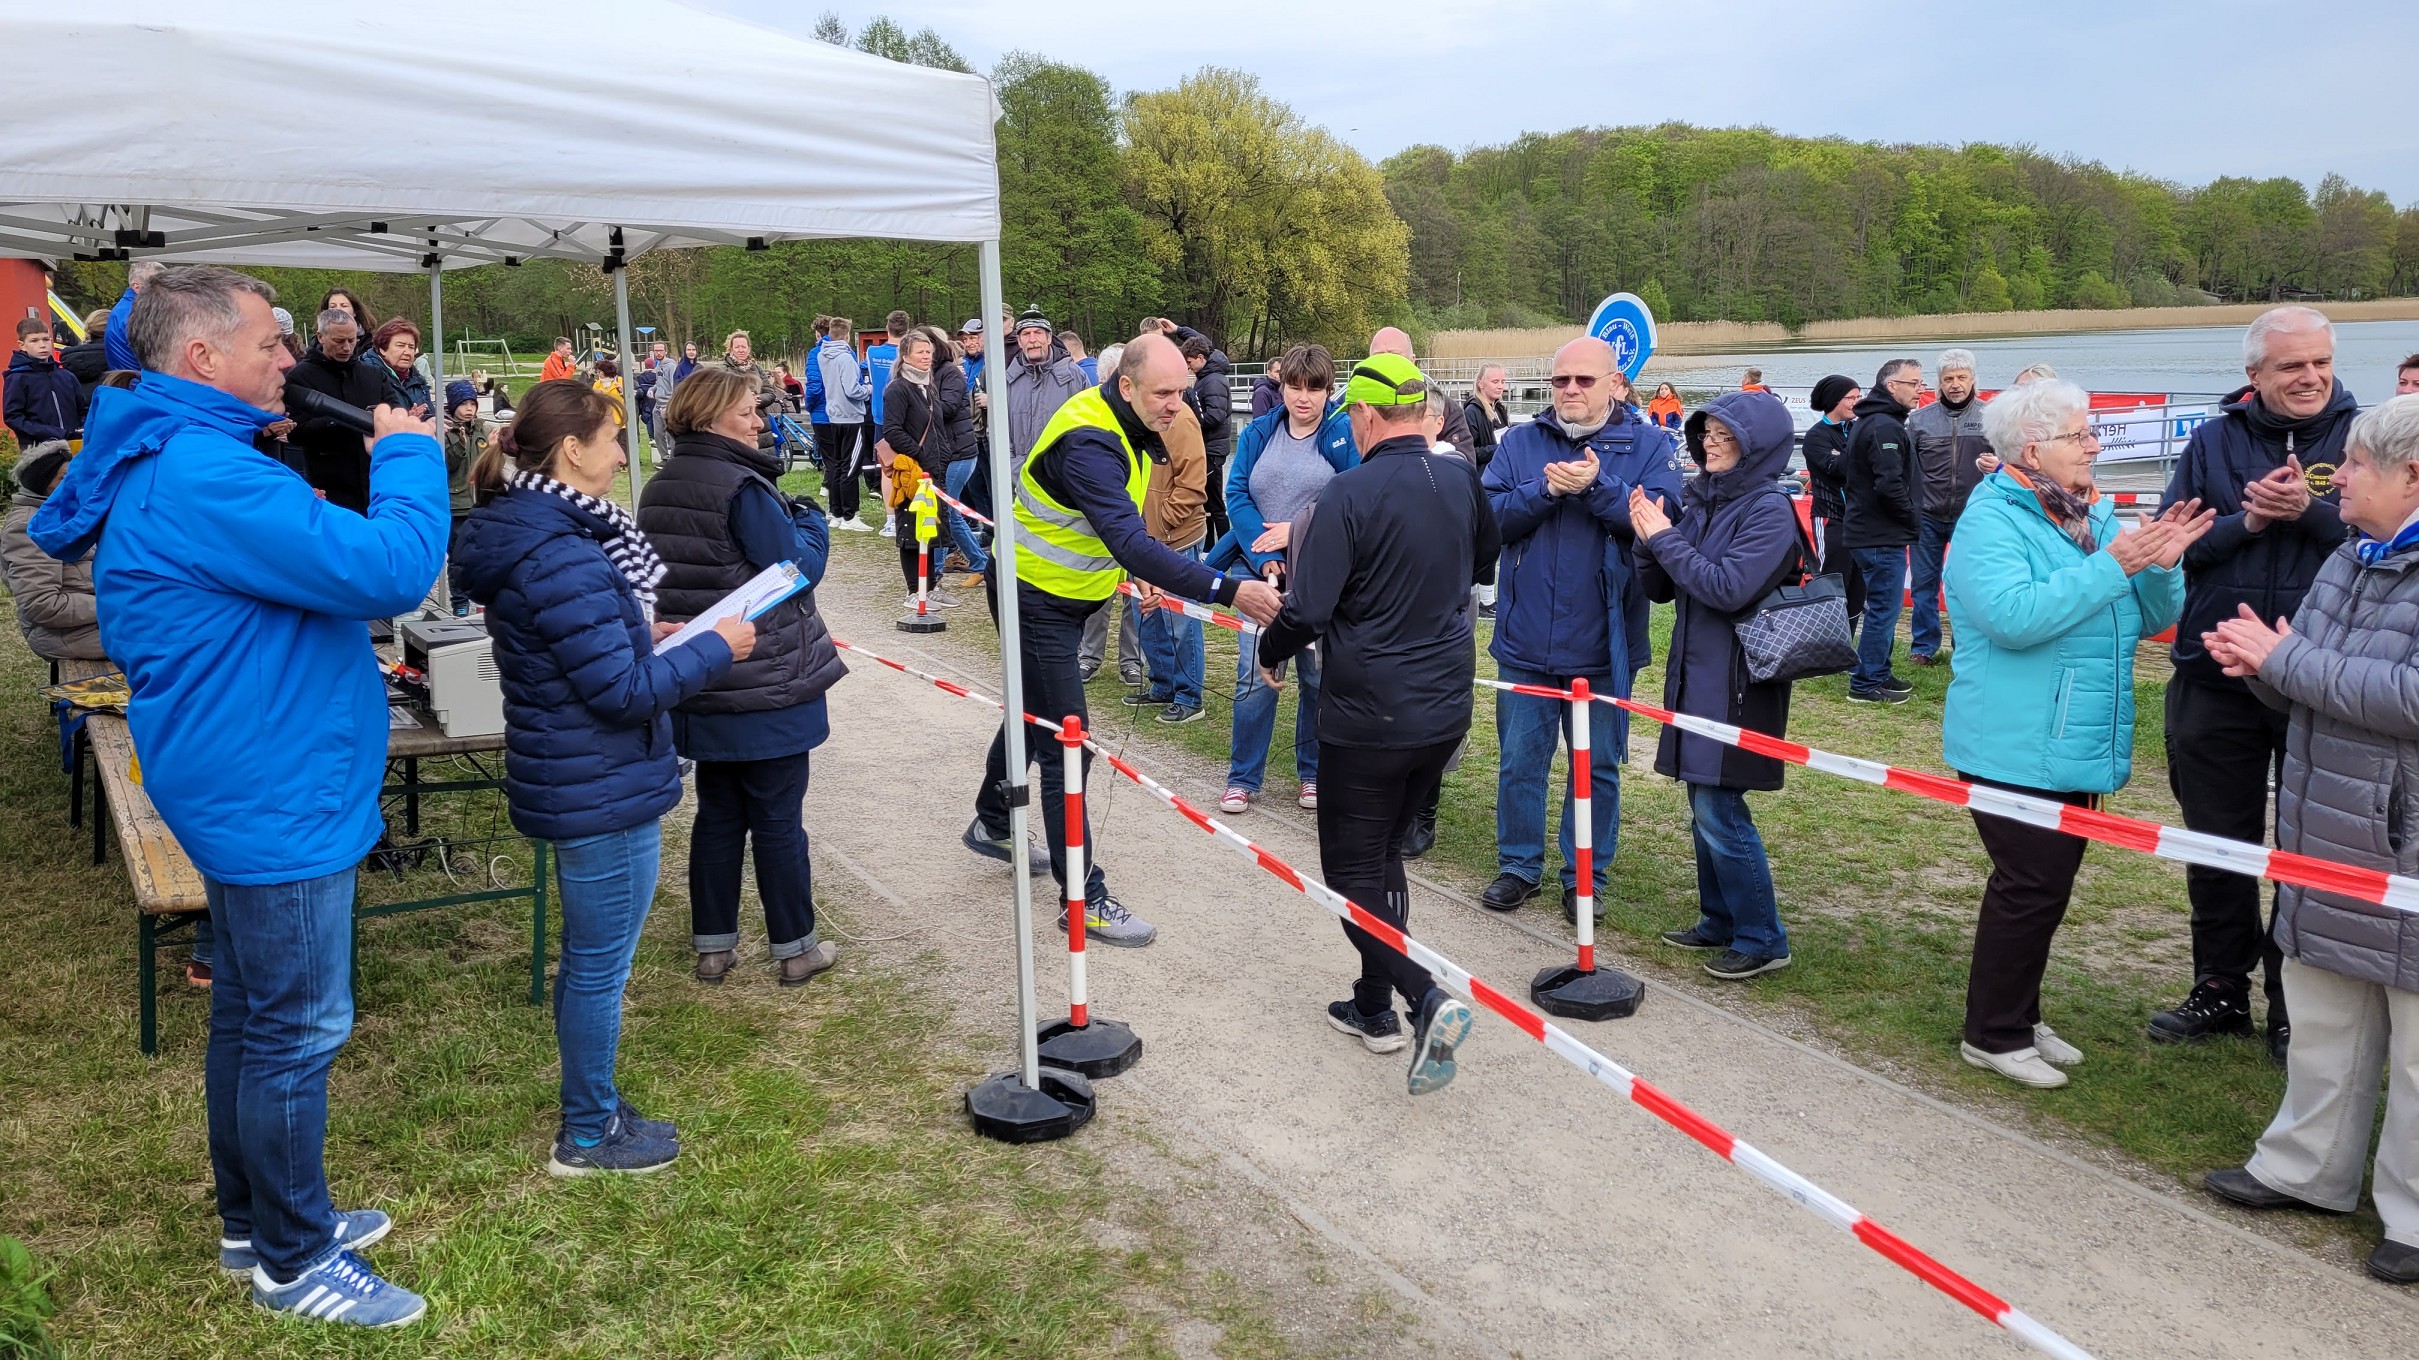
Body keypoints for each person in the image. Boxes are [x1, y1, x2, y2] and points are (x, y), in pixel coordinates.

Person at [32, 266, 448, 1324]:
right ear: (202, 356)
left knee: (253, 1013)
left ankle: (252, 1221)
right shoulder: (203, 471)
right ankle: (295, 1260)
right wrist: (408, 455)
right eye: (269, 341)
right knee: (298, 1027)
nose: (288, 357)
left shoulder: (184, 453)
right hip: (271, 784)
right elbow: (391, 569)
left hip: (244, 766)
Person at [452, 379, 748, 1175]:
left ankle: (596, 1106)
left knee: (592, 957)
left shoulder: (544, 532)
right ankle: (587, 1133)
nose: (623, 455)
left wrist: (645, 630)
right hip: (599, 785)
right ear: (571, 450)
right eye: (613, 440)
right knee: (598, 966)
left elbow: (584, 648)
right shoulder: (559, 552)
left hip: (586, 775)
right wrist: (714, 647)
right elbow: (621, 693)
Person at [2197, 393, 2419, 1287]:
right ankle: (2303, 1168)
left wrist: (2284, 660)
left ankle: (2412, 1213)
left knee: (2417, 1040)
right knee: (2324, 1010)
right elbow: (2309, 674)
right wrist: (2258, 665)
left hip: (2404, 840)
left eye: (2357, 464)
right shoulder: (2349, 556)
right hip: (2325, 825)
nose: (2339, 479)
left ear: (2412, 476)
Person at [964, 334, 1284, 946]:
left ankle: (992, 821)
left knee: (1035, 715)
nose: (1177, 404)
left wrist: (1132, 567)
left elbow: (1113, 526)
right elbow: (1129, 537)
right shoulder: (1090, 440)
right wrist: (1226, 589)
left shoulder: (1128, 418)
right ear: (1127, 385)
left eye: (1182, 391)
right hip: (1033, 597)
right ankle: (1083, 898)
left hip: (1063, 593)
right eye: (1165, 393)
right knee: (1069, 746)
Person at [1941, 379, 2209, 1088]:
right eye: (2080, 434)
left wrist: (2162, 565)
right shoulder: (1991, 519)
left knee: (2046, 887)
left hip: (2072, 737)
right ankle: (1992, 1034)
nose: (2095, 445)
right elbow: (2014, 617)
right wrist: (2113, 564)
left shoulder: (2089, 515)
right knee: (2028, 885)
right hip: (2014, 740)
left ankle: (2019, 1015)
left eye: (2091, 433)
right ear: (2033, 450)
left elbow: (2149, 618)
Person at [1257, 352, 1493, 1093]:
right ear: (1419, 413)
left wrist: (1268, 647)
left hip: (1369, 711)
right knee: (1384, 853)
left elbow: (1309, 609)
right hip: (1444, 703)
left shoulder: (1346, 492)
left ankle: (1426, 998)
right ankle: (1372, 1005)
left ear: (1361, 415)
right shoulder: (1459, 477)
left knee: (1350, 871)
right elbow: (1482, 563)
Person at [2148, 306, 2361, 1056]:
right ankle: (2218, 988)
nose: (2309, 377)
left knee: (2307, 851)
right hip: (2214, 672)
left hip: (2320, 679)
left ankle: (2292, 1002)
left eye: (2320, 362)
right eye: (2291, 365)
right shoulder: (2212, 441)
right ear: (2253, 375)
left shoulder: (2367, 437)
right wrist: (2251, 523)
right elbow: (2176, 543)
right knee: (2218, 840)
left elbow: (2391, 546)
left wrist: (2311, 513)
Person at [639, 366, 849, 989]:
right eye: (747, 412)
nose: (759, 422)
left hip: (700, 675)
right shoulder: (741, 487)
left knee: (718, 814)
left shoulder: (658, 485)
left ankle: (714, 946)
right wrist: (810, 519)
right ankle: (796, 947)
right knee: (778, 818)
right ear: (710, 419)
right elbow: (796, 569)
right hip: (765, 680)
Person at [1480, 336, 1684, 920]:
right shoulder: (1520, 442)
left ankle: (1585, 875)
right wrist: (1544, 490)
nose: (1570, 390)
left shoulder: (1650, 444)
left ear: (1615, 383)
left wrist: (1596, 487)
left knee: (1595, 768)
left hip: (1604, 642)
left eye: (1584, 380)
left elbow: (1659, 521)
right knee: (1520, 761)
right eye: (1560, 380)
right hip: (1525, 639)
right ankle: (1519, 865)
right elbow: (1486, 521)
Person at [1633, 391, 1804, 979]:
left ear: (1757, 447)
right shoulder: (1703, 501)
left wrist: (1664, 538)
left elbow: (1727, 588)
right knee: (1702, 801)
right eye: (1707, 434)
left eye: (1725, 436)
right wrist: (1645, 538)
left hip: (1739, 683)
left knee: (1720, 807)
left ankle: (1763, 937)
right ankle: (1720, 919)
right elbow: (1663, 588)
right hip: (1696, 674)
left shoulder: (1769, 511)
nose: (1710, 444)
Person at [1208, 343, 1357, 814]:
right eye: (1295, 387)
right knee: (1254, 678)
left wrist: (1297, 531)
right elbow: (1237, 493)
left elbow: (1353, 500)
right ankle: (1242, 778)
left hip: (1318, 575)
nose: (1303, 398)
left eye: (1314, 388)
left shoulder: (1343, 434)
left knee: (1316, 677)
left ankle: (1312, 774)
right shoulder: (1259, 431)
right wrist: (1265, 554)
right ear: (1283, 386)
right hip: (1259, 571)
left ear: (1329, 391)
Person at [1125, 354, 1213, 724]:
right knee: (1146, 615)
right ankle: (1162, 683)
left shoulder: (1183, 420)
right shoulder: (1135, 420)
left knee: (1180, 620)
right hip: (1141, 539)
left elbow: (1193, 484)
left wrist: (1161, 524)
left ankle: (1190, 695)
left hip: (1176, 539)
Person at [1843, 358, 1926, 703]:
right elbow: (1888, 484)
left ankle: (1878, 670)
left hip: (1875, 531)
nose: (1920, 390)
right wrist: (1912, 518)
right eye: (1914, 383)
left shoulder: (1878, 421)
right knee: (1883, 608)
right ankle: (1865, 683)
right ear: (1892, 386)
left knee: (1884, 607)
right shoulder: (1883, 426)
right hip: (1879, 534)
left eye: (1922, 383)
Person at [1906, 349, 1990, 666]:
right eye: (1948, 378)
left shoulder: (1990, 418)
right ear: (1939, 383)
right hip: (1927, 515)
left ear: (1973, 379)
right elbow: (1907, 469)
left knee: (1966, 583)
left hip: (1972, 515)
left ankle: (1964, 644)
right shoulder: (1919, 420)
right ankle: (1923, 646)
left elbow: (2007, 466)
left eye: (1961, 377)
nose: (1955, 384)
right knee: (1923, 584)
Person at [3, 441, 103, 660]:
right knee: (168, 640)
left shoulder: (62, 512)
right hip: (67, 634)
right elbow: (42, 604)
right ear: (42, 483)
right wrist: (115, 604)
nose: (73, 484)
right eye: (63, 478)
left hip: (92, 621)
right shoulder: (29, 526)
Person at [284, 307, 387, 514]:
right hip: (330, 487)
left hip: (375, 482)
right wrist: (338, 419)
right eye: (339, 341)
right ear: (321, 337)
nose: (347, 347)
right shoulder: (299, 377)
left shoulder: (373, 375)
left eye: (352, 340)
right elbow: (295, 432)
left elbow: (393, 408)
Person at [1800, 375, 1864, 626]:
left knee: (1858, 589)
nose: (1857, 403)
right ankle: (1825, 639)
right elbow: (1837, 468)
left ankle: (1847, 642)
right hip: (1831, 518)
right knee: (1833, 584)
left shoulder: (1858, 429)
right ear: (1834, 400)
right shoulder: (1817, 436)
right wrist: (1856, 448)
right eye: (1851, 398)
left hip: (1861, 521)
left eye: (1859, 397)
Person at [1368, 326, 1472, 453]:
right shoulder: (1354, 408)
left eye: (1395, 356)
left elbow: (1463, 461)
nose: (1387, 363)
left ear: (1412, 361)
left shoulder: (1444, 409)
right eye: (1378, 357)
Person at [816, 317, 875, 531]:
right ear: (848, 335)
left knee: (838, 465)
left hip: (834, 416)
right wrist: (868, 390)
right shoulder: (846, 358)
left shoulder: (823, 355)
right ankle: (851, 516)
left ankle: (837, 512)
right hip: (851, 417)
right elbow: (852, 389)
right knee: (851, 468)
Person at [1181, 333, 1235, 542]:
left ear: (1201, 358)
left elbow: (1215, 416)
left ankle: (1224, 546)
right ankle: (1209, 546)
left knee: (1214, 503)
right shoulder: (1206, 378)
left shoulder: (1213, 381)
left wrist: (1192, 421)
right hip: (1208, 446)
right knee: (1207, 502)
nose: (1188, 367)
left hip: (1212, 449)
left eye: (1189, 362)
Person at [437, 380, 483, 616]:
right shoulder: (444, 430)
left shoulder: (482, 429)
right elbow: (448, 465)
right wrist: (460, 444)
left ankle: (481, 599)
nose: (469, 409)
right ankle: (460, 602)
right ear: (453, 405)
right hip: (456, 504)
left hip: (479, 502)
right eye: (464, 404)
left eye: (472, 404)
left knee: (482, 555)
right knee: (458, 557)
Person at [6, 316, 84, 447]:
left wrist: (82, 428)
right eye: (34, 341)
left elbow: (83, 409)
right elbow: (13, 417)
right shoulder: (18, 378)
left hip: (74, 443)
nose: (42, 345)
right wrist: (51, 433)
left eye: (46, 339)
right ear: (22, 345)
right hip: (38, 447)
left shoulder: (66, 376)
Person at [100, 259, 166, 372]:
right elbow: (159, 362)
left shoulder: (123, 309)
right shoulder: (138, 314)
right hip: (139, 380)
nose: (165, 291)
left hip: (128, 378)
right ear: (137, 287)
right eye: (157, 285)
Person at [369, 319, 431, 418]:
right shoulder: (368, 376)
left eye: (411, 347)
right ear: (383, 349)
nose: (407, 352)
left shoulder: (418, 381)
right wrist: (405, 419)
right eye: (400, 346)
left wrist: (432, 419)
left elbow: (429, 412)